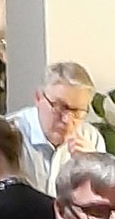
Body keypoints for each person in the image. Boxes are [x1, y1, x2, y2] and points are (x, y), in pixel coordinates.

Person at [7, 60, 103, 195]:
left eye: (77, 111)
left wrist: (92, 167)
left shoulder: (91, 138)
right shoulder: (8, 133)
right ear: (38, 98)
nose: (66, 120)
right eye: (59, 107)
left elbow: (103, 197)